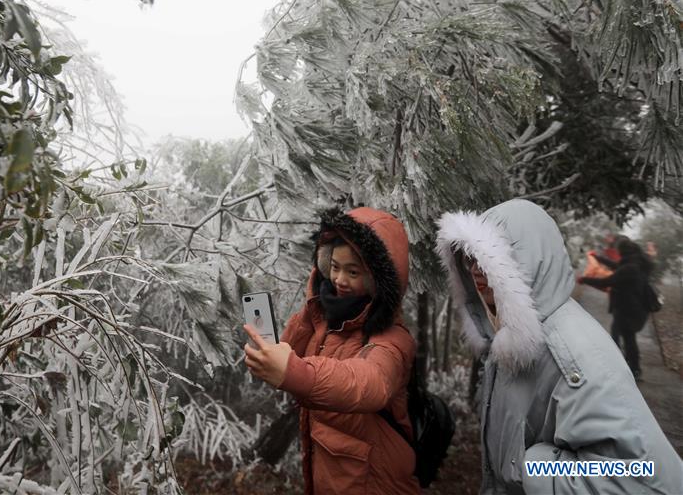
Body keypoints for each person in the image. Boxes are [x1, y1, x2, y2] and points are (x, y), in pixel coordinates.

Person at [436, 199, 682, 494]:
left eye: (491, 257)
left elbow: (640, 476)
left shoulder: (574, 356)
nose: (475, 270)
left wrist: (533, 466)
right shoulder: (507, 337)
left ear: (529, 261)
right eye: (470, 258)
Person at [243, 206, 419, 494]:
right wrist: (312, 308)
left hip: (375, 482)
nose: (339, 280)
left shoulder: (393, 338)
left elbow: (369, 383)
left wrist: (294, 372)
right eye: (334, 267)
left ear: (378, 280)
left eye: (353, 271)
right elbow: (292, 351)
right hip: (333, 475)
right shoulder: (328, 317)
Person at [578, 238, 651, 380]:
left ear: (622, 251)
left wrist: (584, 279)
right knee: (621, 335)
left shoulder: (630, 268)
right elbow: (616, 266)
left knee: (627, 339)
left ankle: (633, 369)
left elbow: (607, 281)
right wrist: (597, 257)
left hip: (629, 309)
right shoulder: (634, 263)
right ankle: (626, 366)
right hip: (633, 308)